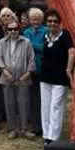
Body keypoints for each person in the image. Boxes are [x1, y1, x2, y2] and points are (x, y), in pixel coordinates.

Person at [39, 9, 75, 144]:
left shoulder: (65, 34)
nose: (52, 23)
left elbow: (72, 51)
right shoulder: (45, 35)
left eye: (55, 21)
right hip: (45, 77)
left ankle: (53, 137)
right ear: (46, 23)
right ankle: (46, 135)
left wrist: (69, 68)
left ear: (59, 23)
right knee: (46, 107)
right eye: (49, 21)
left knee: (56, 106)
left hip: (60, 78)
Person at [0, 17, 36, 139]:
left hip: (23, 77)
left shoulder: (27, 42)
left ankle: (24, 129)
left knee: (24, 103)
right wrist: (4, 71)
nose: (13, 31)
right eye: (10, 29)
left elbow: (32, 59)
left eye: (15, 29)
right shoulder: (2, 42)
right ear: (7, 30)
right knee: (9, 103)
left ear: (19, 29)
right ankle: (12, 129)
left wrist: (28, 73)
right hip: (6, 77)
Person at [23, 7, 46, 135]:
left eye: (38, 19)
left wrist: (31, 45)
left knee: (42, 99)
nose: (35, 21)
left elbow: (45, 48)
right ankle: (35, 125)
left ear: (42, 20)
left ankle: (42, 126)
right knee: (32, 99)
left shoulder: (46, 31)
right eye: (33, 19)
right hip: (29, 70)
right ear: (30, 20)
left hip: (42, 69)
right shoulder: (26, 32)